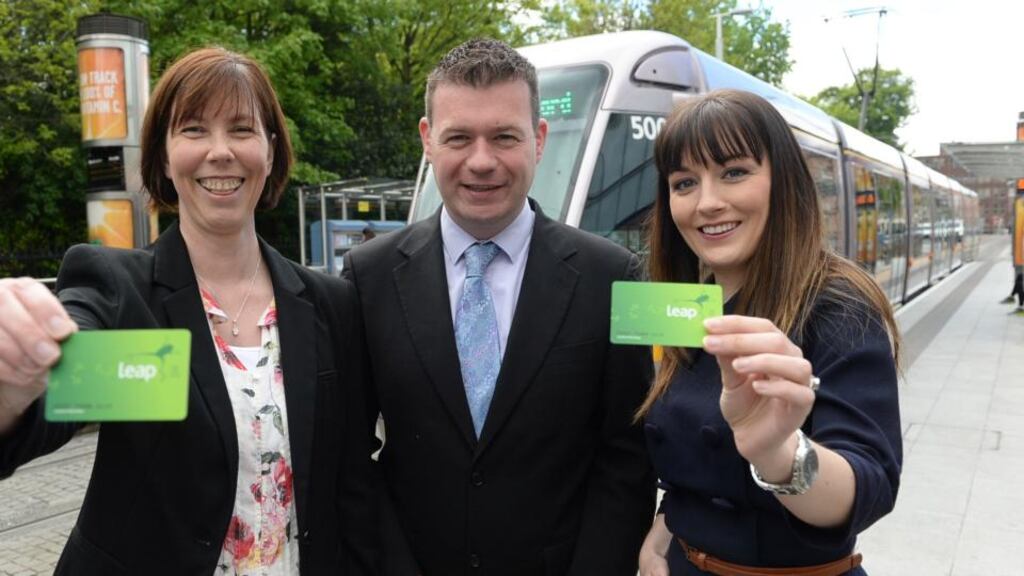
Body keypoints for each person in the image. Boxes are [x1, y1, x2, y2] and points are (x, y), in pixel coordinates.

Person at [0, 48, 377, 575]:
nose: (219, 152)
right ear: (162, 156)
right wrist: (14, 380)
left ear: (270, 152)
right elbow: (41, 413)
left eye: (242, 130)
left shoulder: (328, 302)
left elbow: (351, 483)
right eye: (194, 130)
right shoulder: (122, 292)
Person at [343, 38, 656, 575]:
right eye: (459, 137)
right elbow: (350, 455)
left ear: (538, 140)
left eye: (504, 137)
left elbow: (626, 461)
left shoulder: (613, 278)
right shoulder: (367, 278)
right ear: (428, 141)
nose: (481, 162)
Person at [636, 90, 902, 575]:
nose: (707, 203)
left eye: (734, 172)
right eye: (684, 182)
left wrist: (778, 452)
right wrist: (664, 533)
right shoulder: (686, 307)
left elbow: (870, 485)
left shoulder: (838, 305)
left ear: (783, 180)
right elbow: (691, 457)